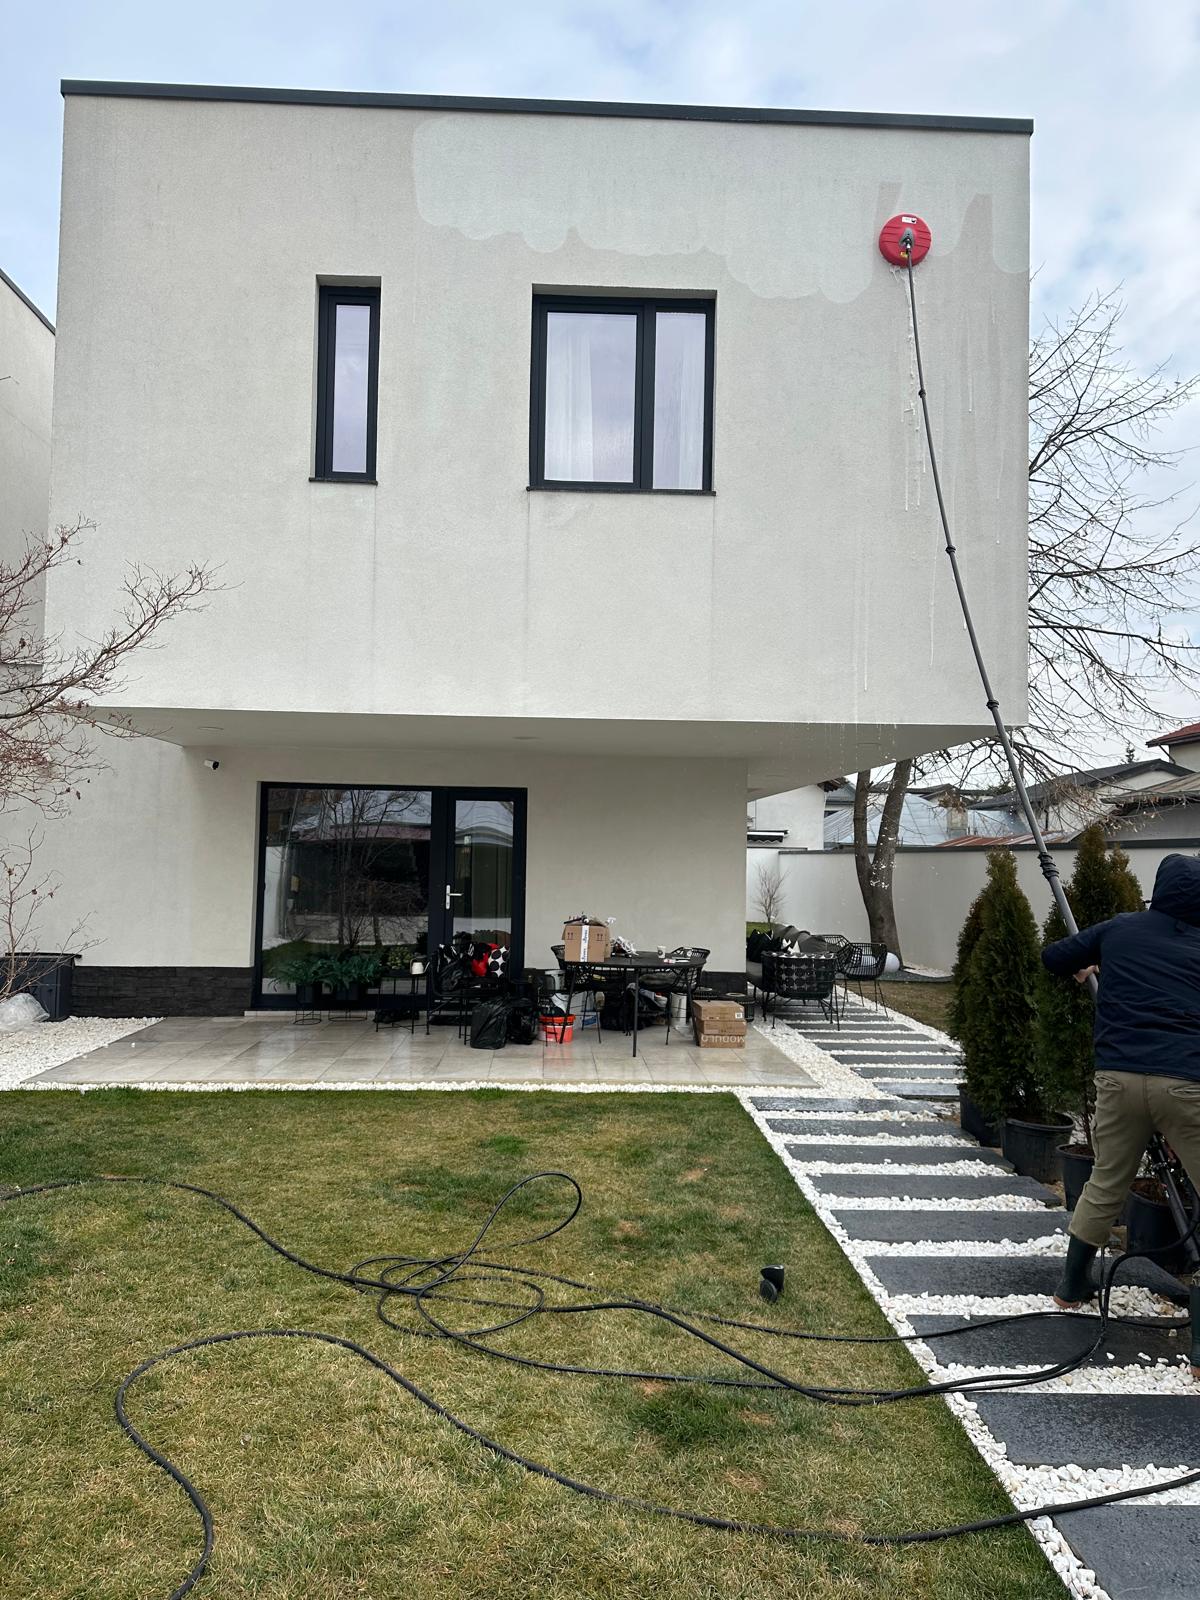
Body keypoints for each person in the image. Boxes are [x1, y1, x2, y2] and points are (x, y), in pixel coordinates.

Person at [1040, 853, 1200, 1313]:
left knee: (1106, 1182)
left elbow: (1054, 957)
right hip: (1186, 1082)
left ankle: (1071, 1286)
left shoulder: (1121, 929)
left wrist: (1092, 962)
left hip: (1119, 1078)